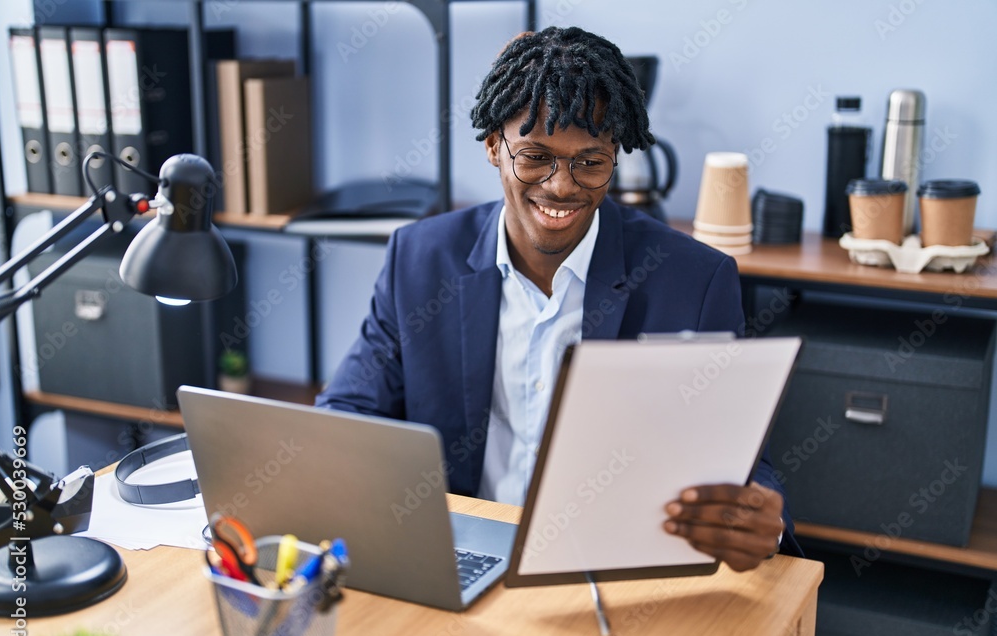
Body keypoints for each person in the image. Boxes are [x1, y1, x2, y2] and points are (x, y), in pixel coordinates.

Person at [316, 26, 801, 571]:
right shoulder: (421, 260)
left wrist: (760, 519)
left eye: (589, 162)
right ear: (494, 147)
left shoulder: (693, 281)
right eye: (535, 157)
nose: (562, 186)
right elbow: (348, 411)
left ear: (615, 157)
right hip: (456, 555)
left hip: (608, 570)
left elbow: (736, 460)